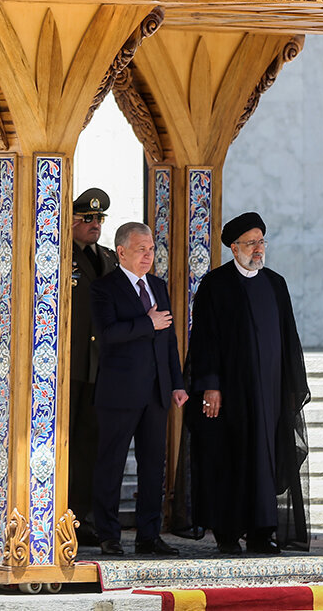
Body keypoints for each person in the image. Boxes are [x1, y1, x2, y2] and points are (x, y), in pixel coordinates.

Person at [185, 212, 310, 555]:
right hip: (230, 396)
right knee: (229, 459)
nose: (258, 249)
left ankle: (262, 531)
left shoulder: (275, 283)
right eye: (251, 243)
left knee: (265, 461)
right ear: (233, 247)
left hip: (268, 394)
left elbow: (288, 338)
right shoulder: (216, 284)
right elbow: (205, 340)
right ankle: (227, 532)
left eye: (261, 242)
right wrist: (211, 385)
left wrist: (290, 386)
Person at [91, 221, 188, 557]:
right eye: (141, 249)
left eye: (151, 249)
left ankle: (149, 535)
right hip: (119, 393)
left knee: (153, 467)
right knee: (111, 465)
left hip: (157, 392)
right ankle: (108, 534)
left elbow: (169, 340)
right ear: (121, 252)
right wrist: (146, 322)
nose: (148, 255)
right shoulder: (104, 288)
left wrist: (177, 382)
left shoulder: (158, 287)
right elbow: (107, 335)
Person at [67, 187, 118, 546]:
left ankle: (82, 516)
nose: (94, 225)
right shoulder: (57, 256)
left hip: (101, 369)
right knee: (67, 444)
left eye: (99, 219)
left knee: (91, 445)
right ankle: (61, 514)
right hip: (69, 366)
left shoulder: (110, 259)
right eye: (87, 219)